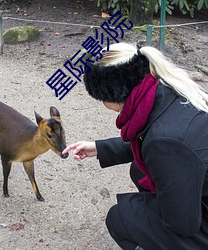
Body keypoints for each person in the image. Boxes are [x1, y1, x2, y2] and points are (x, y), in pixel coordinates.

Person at [62, 42, 208, 250]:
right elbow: (152, 139)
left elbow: (183, 224)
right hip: (199, 187)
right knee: (139, 170)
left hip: (199, 222)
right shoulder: (167, 89)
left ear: (112, 92)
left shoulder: (165, 142)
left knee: (120, 218)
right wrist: (100, 147)